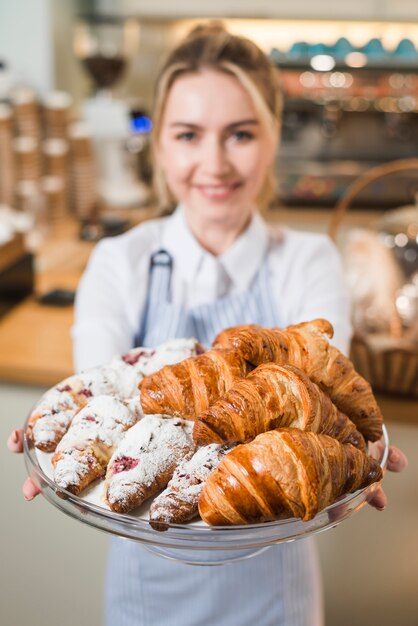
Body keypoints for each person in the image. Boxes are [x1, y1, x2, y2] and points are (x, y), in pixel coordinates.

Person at [8, 23, 407, 626]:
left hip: (278, 591)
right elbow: (97, 393)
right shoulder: (121, 262)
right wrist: (59, 441)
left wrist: (351, 454)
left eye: (240, 134)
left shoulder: (309, 262)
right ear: (161, 145)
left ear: (272, 137)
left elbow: (323, 400)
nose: (214, 163)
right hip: (146, 586)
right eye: (189, 135)